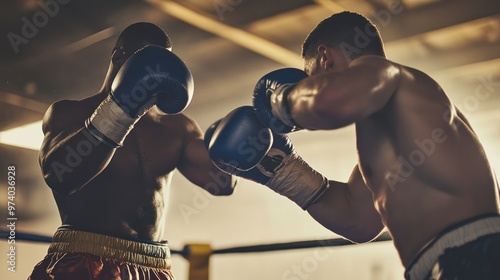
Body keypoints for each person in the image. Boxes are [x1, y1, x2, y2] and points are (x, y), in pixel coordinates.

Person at [206, 11, 500, 280]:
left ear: (326, 58)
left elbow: (329, 101)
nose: (307, 86)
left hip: (476, 254)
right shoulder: (385, 137)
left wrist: (279, 99)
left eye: (309, 76)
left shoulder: (388, 74)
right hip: (436, 266)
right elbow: (358, 219)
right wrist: (277, 169)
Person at [29, 22, 235, 280]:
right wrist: (119, 112)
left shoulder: (177, 127)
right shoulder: (69, 112)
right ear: (118, 55)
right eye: (145, 60)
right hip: (84, 260)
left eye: (161, 62)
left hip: (154, 267)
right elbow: (59, 175)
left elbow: (223, 182)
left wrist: (240, 142)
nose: (153, 70)